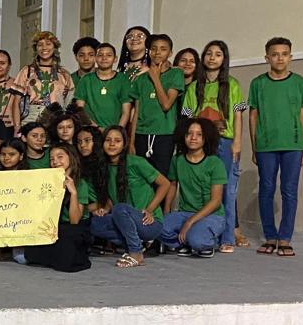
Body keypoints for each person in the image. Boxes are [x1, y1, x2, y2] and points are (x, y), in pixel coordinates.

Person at [248, 36, 303, 257]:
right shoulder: (258, 83)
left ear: (291, 57)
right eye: (275, 54)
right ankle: (270, 236)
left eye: (284, 54)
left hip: (293, 145)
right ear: (267, 57)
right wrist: (254, 146)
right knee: (266, 189)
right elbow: (253, 115)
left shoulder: (299, 83)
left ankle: (285, 238)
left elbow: (302, 116)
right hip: (266, 145)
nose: (280, 58)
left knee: (289, 191)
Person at [181, 39, 245, 252]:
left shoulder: (232, 84)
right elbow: (187, 117)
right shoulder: (194, 87)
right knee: (205, 190)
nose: (212, 57)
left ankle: (227, 237)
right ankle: (207, 232)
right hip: (201, 144)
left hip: (225, 142)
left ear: (224, 59)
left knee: (227, 190)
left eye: (217, 54)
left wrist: (237, 142)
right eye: (209, 53)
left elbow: (237, 115)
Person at [88, 126, 171, 268]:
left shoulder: (136, 162)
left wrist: (150, 210)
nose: (112, 144)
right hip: (124, 219)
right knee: (94, 224)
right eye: (108, 140)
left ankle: (136, 253)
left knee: (120, 209)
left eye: (117, 140)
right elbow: (110, 198)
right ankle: (137, 243)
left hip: (148, 222)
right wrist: (105, 208)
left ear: (124, 144)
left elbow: (165, 184)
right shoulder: (103, 168)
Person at [16, 144, 92, 272]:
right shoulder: (48, 182)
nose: (55, 161)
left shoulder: (80, 183)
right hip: (53, 226)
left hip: (74, 229)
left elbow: (74, 221)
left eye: (60, 157)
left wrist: (73, 193)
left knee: (65, 238)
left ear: (71, 158)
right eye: (52, 159)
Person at [162, 118, 227, 257]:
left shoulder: (215, 163)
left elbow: (216, 201)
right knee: (158, 228)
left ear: (206, 138)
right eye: (189, 134)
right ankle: (185, 242)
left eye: (199, 134)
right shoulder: (177, 159)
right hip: (185, 212)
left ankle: (206, 242)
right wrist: (166, 212)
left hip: (211, 215)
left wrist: (190, 222)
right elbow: (172, 185)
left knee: (197, 240)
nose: (193, 138)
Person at [130, 34, 185, 173]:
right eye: (153, 49)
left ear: (170, 52)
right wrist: (131, 141)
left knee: (162, 176)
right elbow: (136, 111)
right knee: (142, 177)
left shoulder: (176, 74)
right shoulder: (140, 79)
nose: (157, 52)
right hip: (142, 133)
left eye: (163, 49)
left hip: (164, 134)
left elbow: (166, 105)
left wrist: (155, 78)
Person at [9, 32, 74, 127]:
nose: (44, 48)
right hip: (31, 117)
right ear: (36, 48)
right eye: (40, 45)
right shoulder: (26, 71)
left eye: (48, 44)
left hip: (55, 117)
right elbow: (16, 102)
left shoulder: (64, 73)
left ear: (54, 47)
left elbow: (69, 102)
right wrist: (17, 127)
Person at [75, 43, 133, 129]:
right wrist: (97, 128)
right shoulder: (85, 80)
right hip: (91, 130)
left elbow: (126, 111)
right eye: (100, 55)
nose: (104, 58)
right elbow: (80, 109)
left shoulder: (122, 79)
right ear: (95, 58)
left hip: (116, 131)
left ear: (115, 59)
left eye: (109, 55)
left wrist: (117, 131)